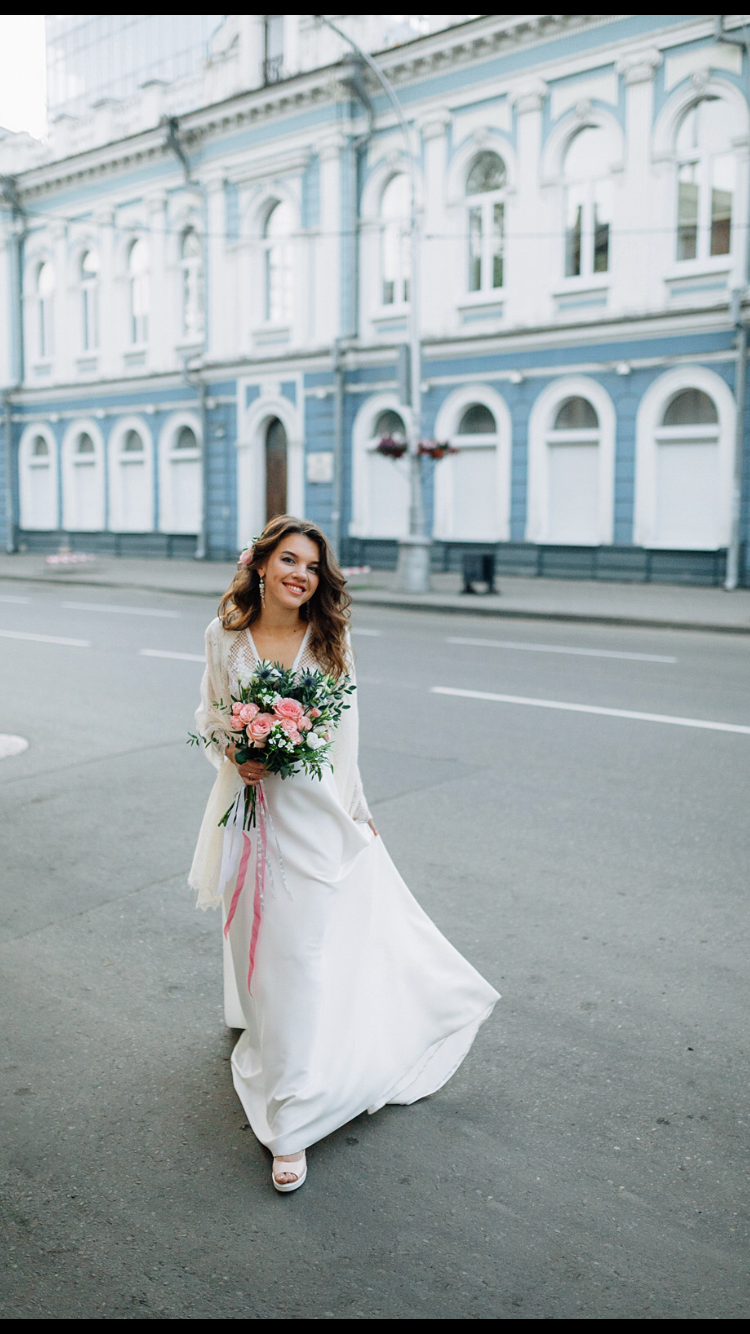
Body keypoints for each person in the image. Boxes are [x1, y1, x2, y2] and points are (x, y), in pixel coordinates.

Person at [190, 515, 499, 1192]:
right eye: (289, 560)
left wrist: (357, 811)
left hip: (313, 815)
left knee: (300, 954)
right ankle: (261, 1028)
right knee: (250, 939)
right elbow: (209, 714)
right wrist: (235, 751)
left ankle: (293, 1121)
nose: (301, 575)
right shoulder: (223, 635)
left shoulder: (331, 638)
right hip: (247, 812)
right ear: (261, 564)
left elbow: (348, 736)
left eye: (313, 567)